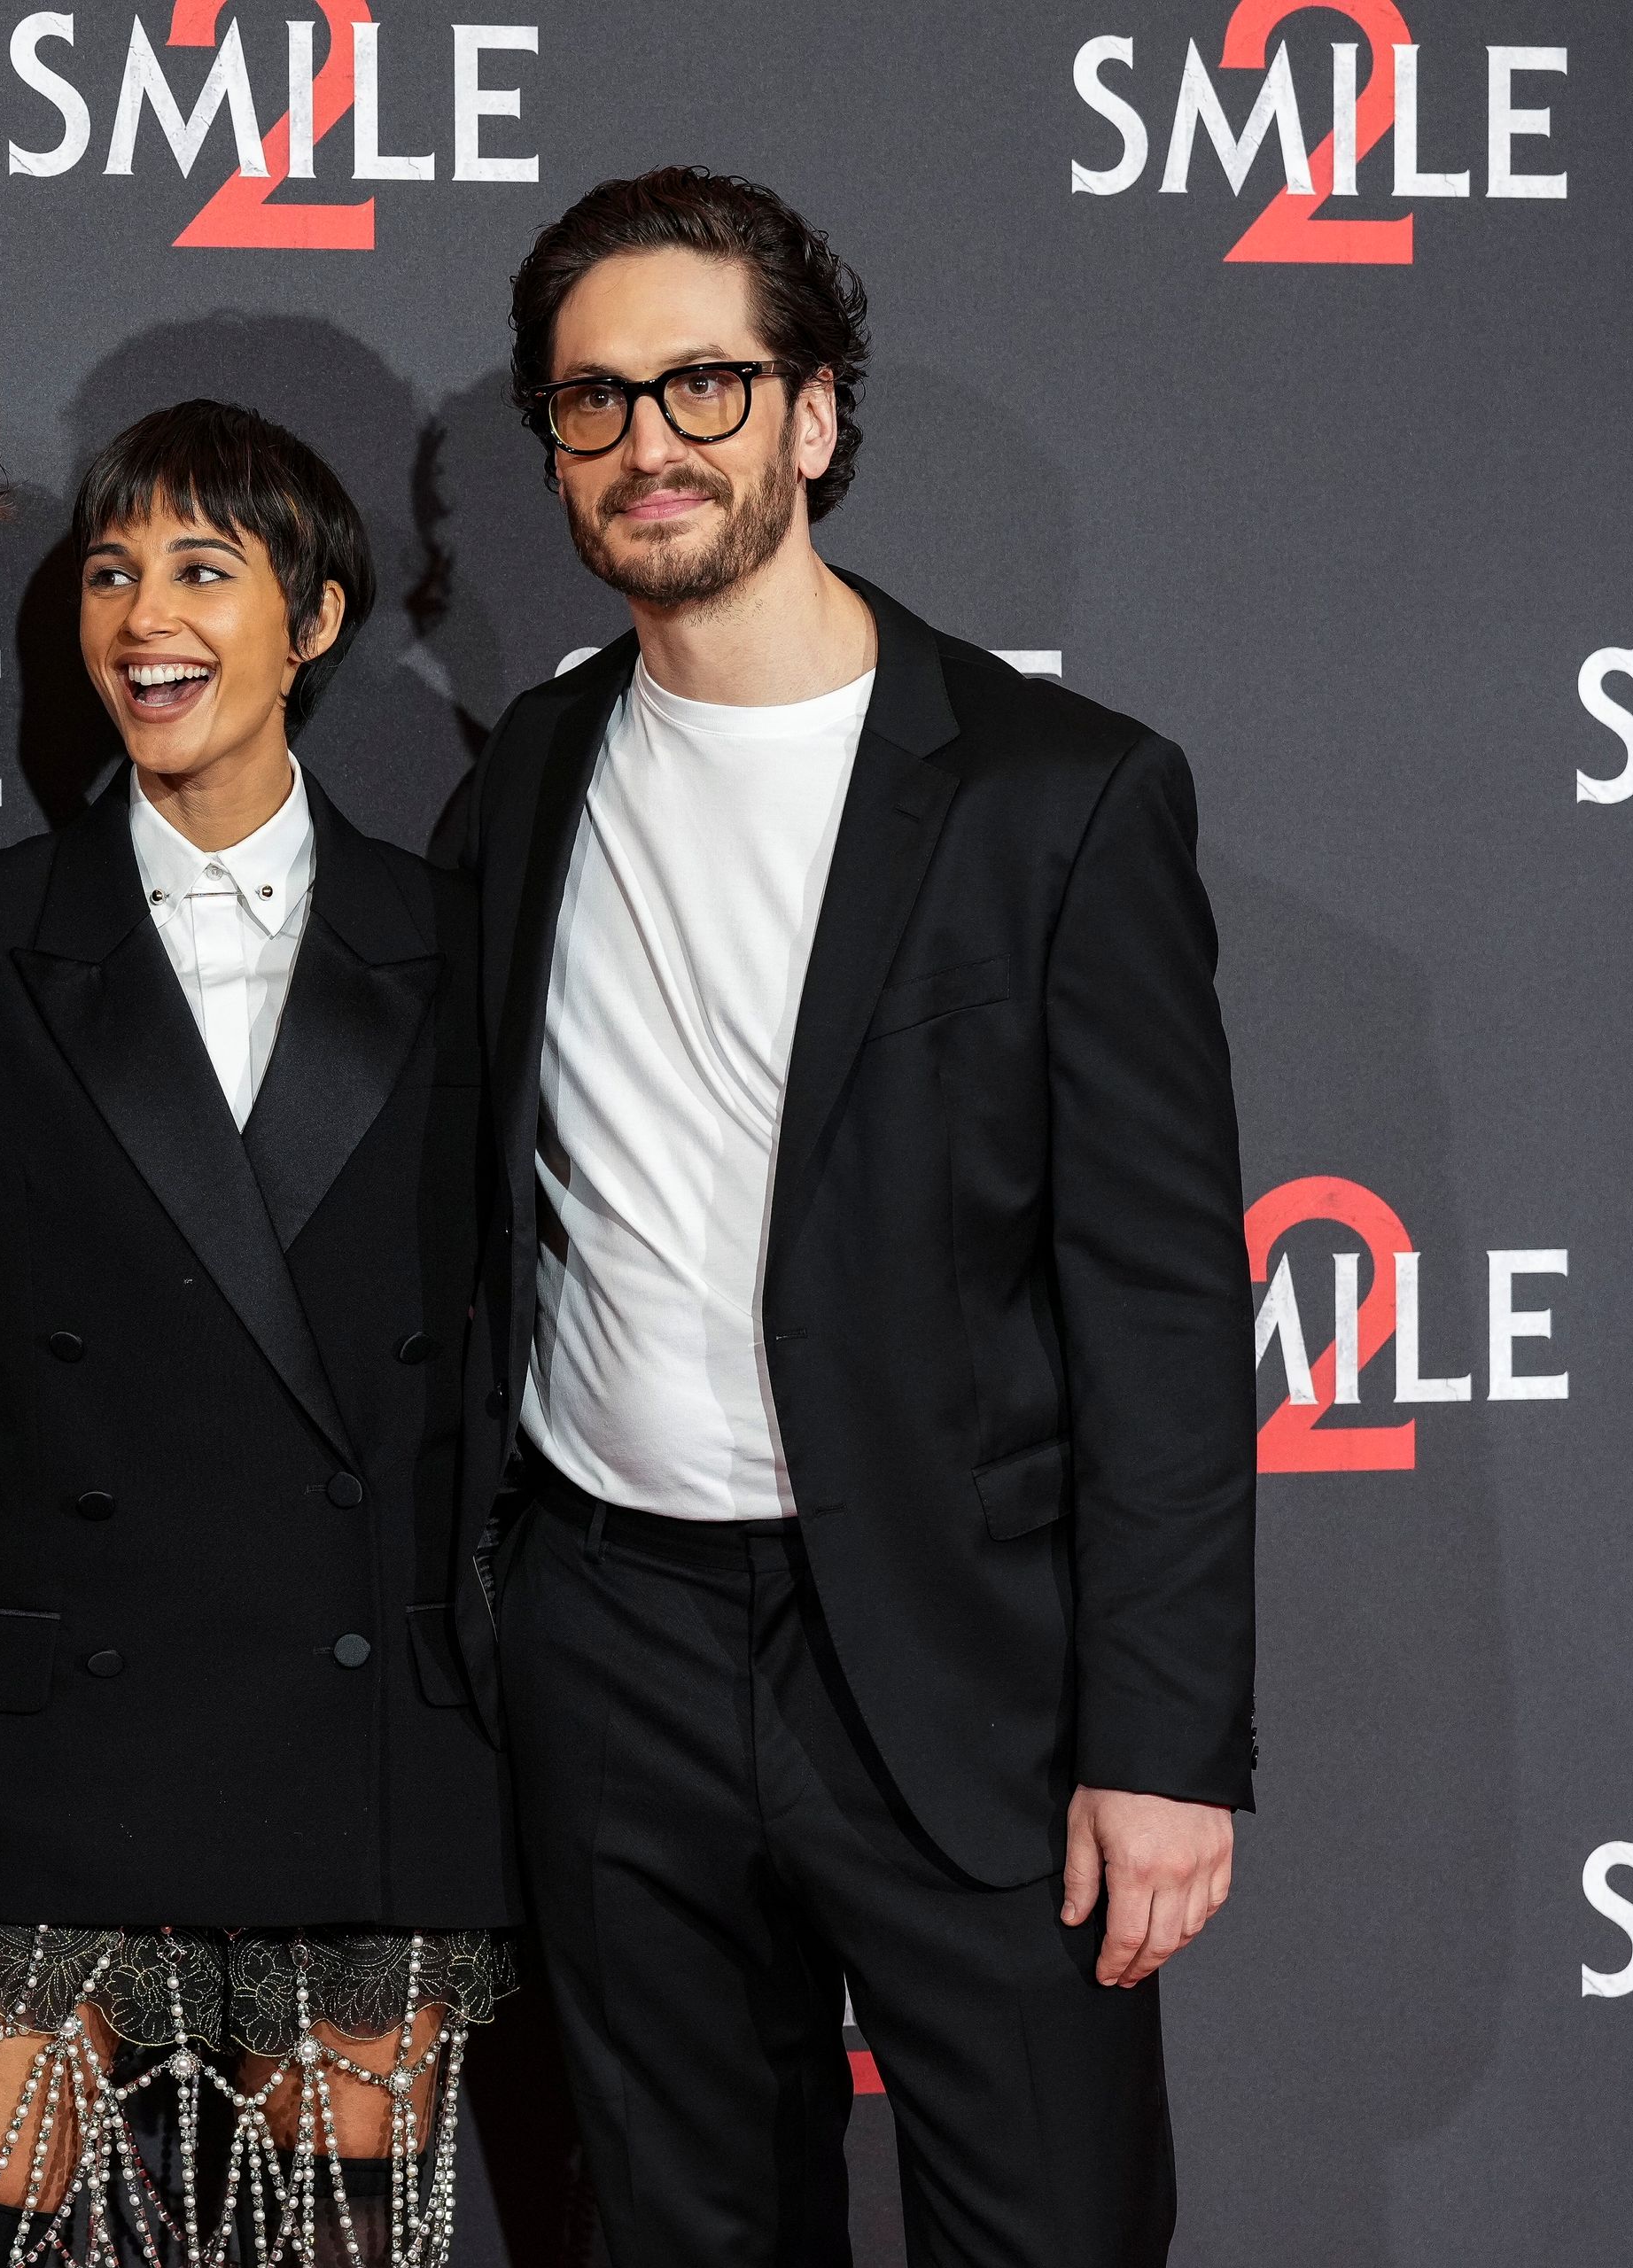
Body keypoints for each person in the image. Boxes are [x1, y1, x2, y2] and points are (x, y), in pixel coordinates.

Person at [447, 168, 1257, 2264]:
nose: (651, 445)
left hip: (953, 1655)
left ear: (814, 415)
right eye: (595, 400)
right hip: (609, 1636)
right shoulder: (531, 773)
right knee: (677, 2227)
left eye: (707, 383)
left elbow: (1163, 1302)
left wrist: (1162, 1744)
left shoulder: (1056, 794)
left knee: (1052, 2224)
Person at [0, 400, 513, 2267]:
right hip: (58, 1740)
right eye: (108, 571)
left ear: (314, 619)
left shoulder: (461, 940)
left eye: (200, 567)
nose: (142, 616)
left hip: (366, 1748)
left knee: (329, 2244)